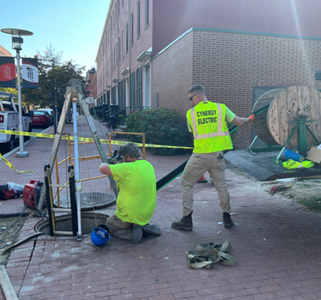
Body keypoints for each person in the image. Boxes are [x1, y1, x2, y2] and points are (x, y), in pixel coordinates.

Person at [171, 85, 254, 231]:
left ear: (197, 96)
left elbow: (194, 132)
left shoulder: (191, 113)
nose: (190, 102)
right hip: (218, 156)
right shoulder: (221, 108)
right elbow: (240, 122)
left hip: (200, 156)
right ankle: (227, 217)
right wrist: (249, 119)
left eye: (191, 98)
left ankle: (186, 219)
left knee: (186, 183)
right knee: (221, 186)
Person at [99, 142, 161, 244]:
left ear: (127, 156)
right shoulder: (148, 165)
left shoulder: (128, 168)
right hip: (145, 212)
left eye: (123, 158)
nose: (122, 161)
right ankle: (140, 225)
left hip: (129, 214)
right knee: (135, 215)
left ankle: (132, 233)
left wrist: (111, 162)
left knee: (109, 226)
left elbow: (103, 168)